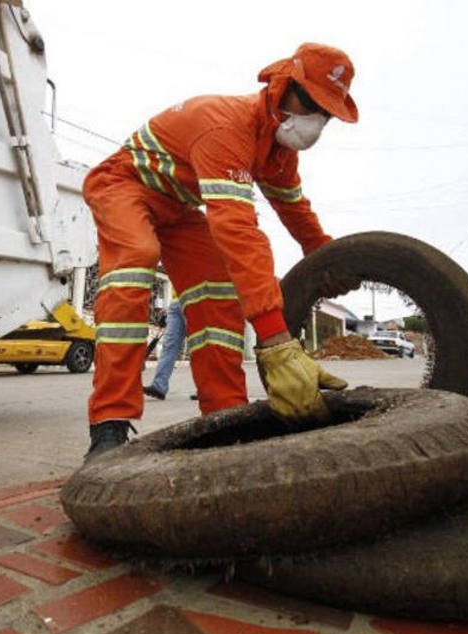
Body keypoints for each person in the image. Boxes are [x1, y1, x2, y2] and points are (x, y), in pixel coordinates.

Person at [83, 43, 354, 460]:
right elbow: (238, 231)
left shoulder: (279, 154)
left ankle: (227, 420)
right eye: (311, 102)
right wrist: (276, 343)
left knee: (219, 294)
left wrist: (328, 261)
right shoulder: (226, 125)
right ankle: (109, 426)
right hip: (124, 185)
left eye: (326, 113)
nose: (315, 121)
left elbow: (298, 215)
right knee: (136, 260)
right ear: (282, 85)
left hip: (178, 207)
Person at [143, 297, 186, 400]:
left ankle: (205, 388)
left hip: (195, 301)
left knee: (199, 347)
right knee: (168, 345)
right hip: (176, 305)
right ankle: (159, 386)